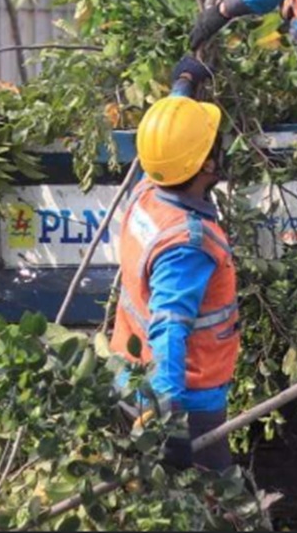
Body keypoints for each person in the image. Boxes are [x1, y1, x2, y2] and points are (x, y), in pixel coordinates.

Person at [111, 55, 238, 471]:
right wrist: (167, 420)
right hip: (186, 402)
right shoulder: (187, 244)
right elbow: (169, 329)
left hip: (130, 376)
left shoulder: (150, 185)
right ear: (205, 164)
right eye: (213, 143)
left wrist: (183, 83)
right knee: (227, 511)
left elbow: (168, 142)